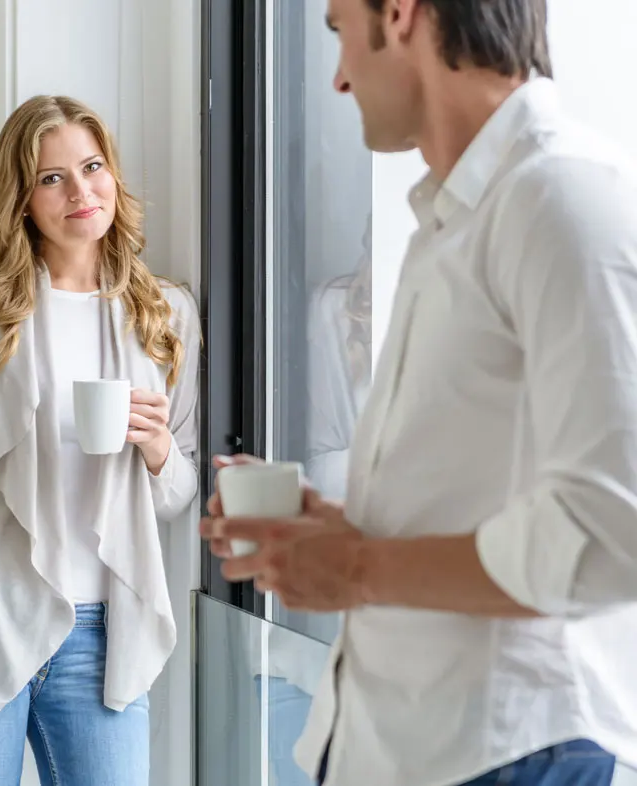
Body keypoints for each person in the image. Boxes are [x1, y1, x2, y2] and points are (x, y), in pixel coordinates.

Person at [202, 1, 637, 784]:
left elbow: (613, 535)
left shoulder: (561, 200)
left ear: (399, 13)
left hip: (507, 751)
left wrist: (359, 566)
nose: (335, 75)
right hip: (411, 745)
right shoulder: (453, 221)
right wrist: (335, 532)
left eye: (338, 28)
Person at [0, 94, 200, 786]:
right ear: (21, 199)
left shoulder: (167, 315)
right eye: (52, 177)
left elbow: (177, 494)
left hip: (102, 637)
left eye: (92, 166)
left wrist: (160, 452)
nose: (81, 191)